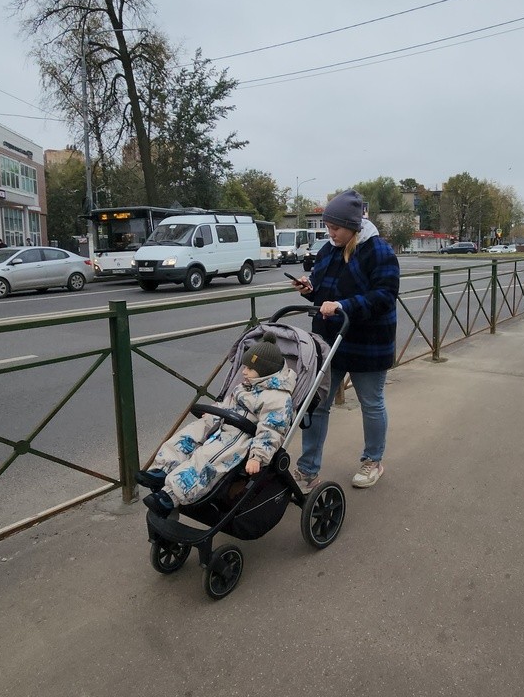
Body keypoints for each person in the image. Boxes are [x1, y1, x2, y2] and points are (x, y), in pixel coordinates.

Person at [289, 189, 400, 491]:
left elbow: (384, 296)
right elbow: (325, 287)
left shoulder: (378, 251)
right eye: (327, 226)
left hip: (368, 340)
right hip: (329, 340)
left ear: (353, 225)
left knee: (371, 402)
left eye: (335, 227)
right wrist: (309, 289)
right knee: (317, 405)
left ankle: (373, 460)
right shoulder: (329, 250)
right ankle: (307, 470)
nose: (330, 232)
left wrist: (344, 305)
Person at [139, 334, 295, 518]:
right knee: (190, 434)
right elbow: (228, 404)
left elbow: (272, 430)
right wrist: (214, 412)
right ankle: (162, 469)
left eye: (250, 369)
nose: (244, 372)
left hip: (243, 437)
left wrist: (257, 457)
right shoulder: (246, 386)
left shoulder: (277, 398)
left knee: (206, 457)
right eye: (244, 366)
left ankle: (171, 496)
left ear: (265, 371)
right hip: (225, 423)